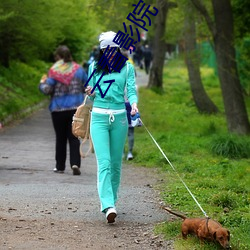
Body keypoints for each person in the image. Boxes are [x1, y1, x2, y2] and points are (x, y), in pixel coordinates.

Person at [85, 31, 138, 223]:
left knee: (116, 164)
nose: (109, 53)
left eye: (112, 49)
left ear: (118, 49)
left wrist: (133, 104)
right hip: (98, 118)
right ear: (101, 50)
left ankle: (112, 201)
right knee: (104, 163)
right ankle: (107, 205)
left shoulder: (127, 68)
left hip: (120, 119)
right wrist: (90, 91)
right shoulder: (94, 67)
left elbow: (131, 90)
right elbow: (90, 94)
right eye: (105, 50)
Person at [39, 45, 88, 175]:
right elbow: (87, 86)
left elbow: (47, 90)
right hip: (75, 109)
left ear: (58, 57)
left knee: (60, 138)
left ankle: (60, 166)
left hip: (58, 109)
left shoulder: (54, 71)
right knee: (74, 137)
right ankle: (75, 163)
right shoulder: (79, 70)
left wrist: (42, 83)